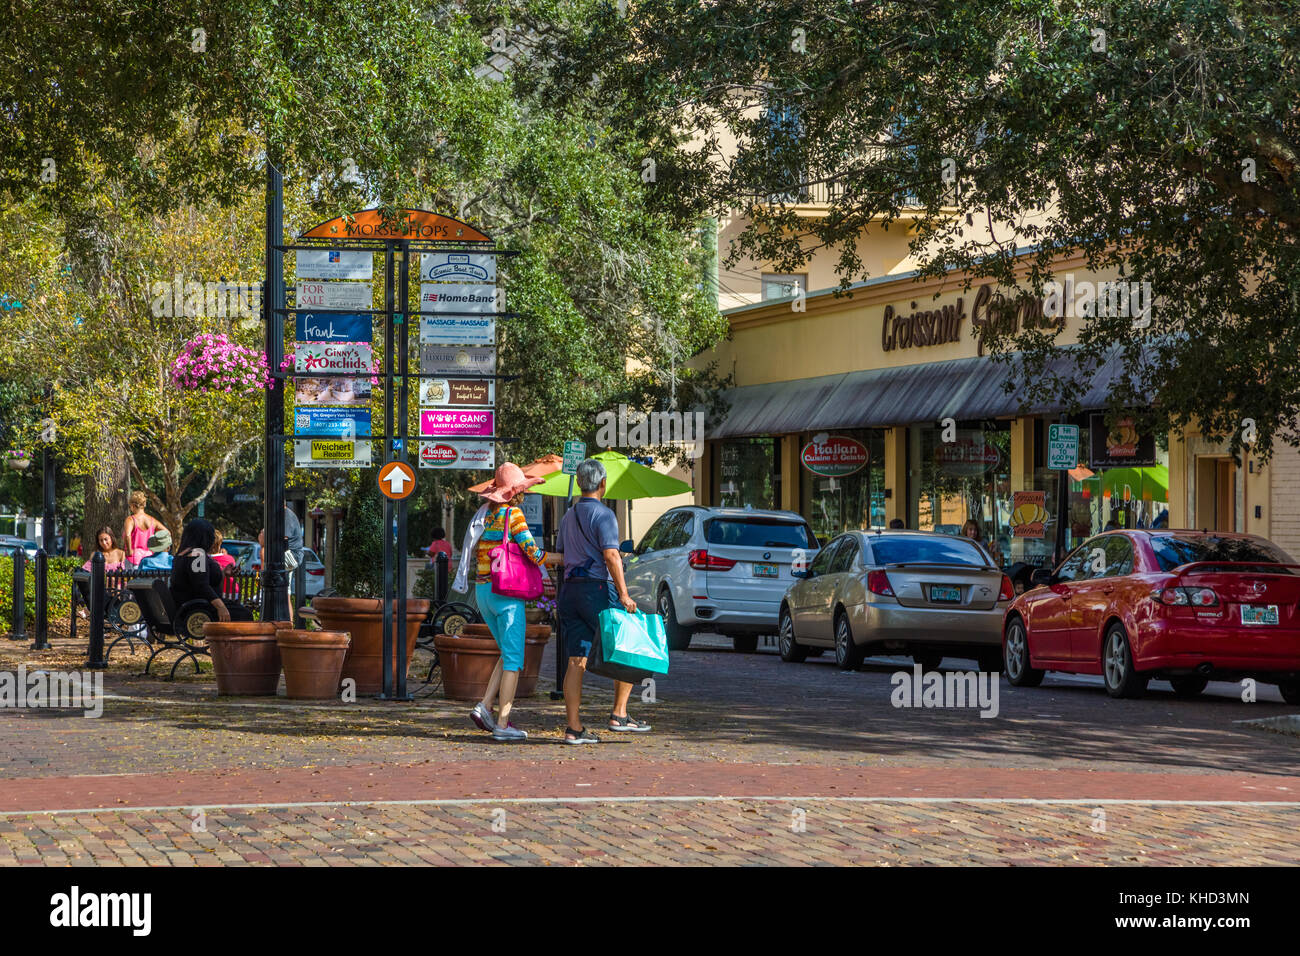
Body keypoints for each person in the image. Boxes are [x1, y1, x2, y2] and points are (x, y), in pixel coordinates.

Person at [461, 463, 557, 741]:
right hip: (506, 593)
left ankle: (484, 706)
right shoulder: (513, 514)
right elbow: (533, 552)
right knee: (515, 659)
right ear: (518, 493)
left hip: (483, 592)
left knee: (506, 652)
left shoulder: (485, 514)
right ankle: (503, 724)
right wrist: (561, 558)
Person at [556, 457, 648, 745]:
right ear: (603, 484)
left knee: (576, 660)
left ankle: (574, 728)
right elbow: (611, 555)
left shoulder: (567, 516)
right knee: (628, 644)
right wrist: (624, 594)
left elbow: (560, 556)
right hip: (597, 589)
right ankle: (619, 715)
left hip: (570, 591)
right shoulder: (605, 515)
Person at [171, 519, 253, 622]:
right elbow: (201, 585)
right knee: (245, 615)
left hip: (192, 607)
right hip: (200, 610)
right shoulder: (197, 554)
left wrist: (223, 573)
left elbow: (198, 579)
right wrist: (221, 607)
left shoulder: (182, 554)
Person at [123, 490, 164, 565]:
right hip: (148, 558)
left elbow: (127, 535)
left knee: (132, 576)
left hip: (134, 558)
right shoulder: (152, 520)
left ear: (132, 505)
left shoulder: (131, 519)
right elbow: (166, 532)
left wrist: (129, 551)